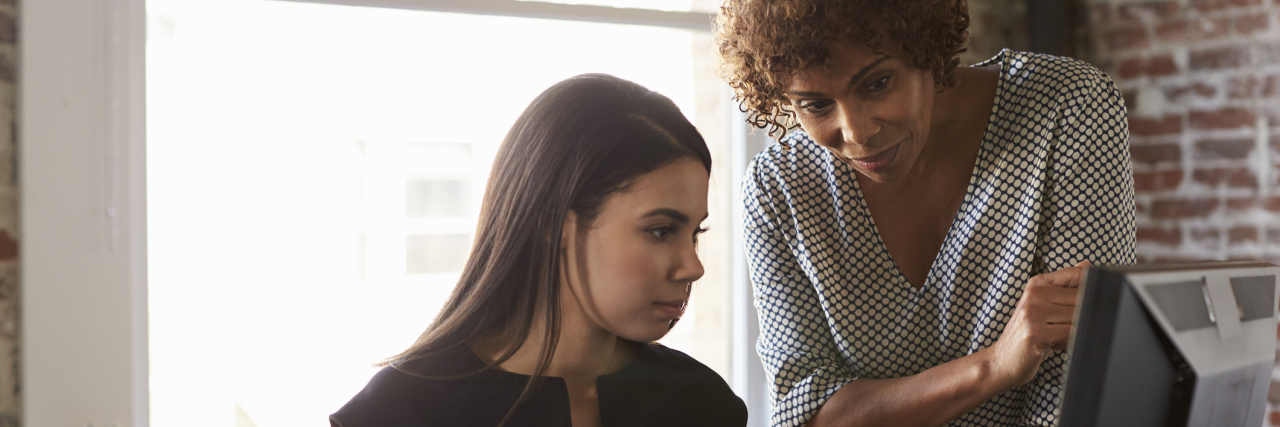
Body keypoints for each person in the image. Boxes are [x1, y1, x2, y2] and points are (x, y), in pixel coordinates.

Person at [715, 0, 1135, 426]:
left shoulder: (1068, 107)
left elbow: (1081, 387)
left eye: (877, 83)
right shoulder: (780, 189)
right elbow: (803, 413)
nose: (857, 132)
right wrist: (993, 367)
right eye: (816, 105)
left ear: (926, 47)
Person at [329, 74, 748, 427]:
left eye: (695, 233)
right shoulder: (399, 412)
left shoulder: (706, 406)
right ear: (552, 223)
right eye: (660, 231)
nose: (694, 267)